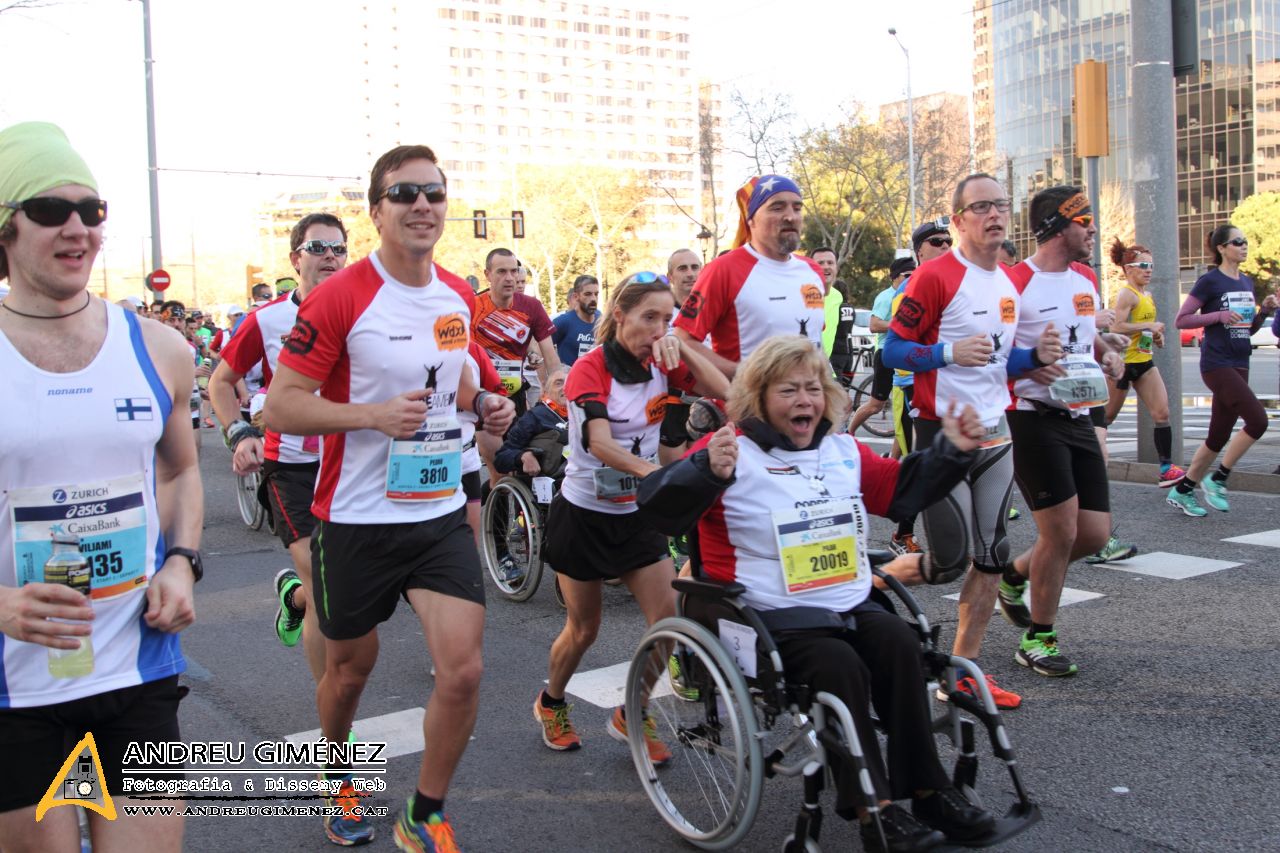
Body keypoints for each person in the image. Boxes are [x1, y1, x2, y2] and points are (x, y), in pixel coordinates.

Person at [638, 336, 997, 853]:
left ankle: (929, 790)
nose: (805, 400)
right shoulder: (730, 449)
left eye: (813, 388)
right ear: (758, 397)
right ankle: (874, 809)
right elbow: (657, 508)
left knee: (899, 644)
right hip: (762, 611)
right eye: (789, 390)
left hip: (845, 600)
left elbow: (900, 489)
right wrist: (703, 472)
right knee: (838, 666)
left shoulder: (840, 449)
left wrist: (949, 451)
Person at [265, 143, 516, 849]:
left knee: (464, 669)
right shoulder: (339, 296)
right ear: (377, 210)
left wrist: (487, 404)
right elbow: (282, 406)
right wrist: (371, 415)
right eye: (404, 194)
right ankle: (336, 767)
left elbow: (457, 380)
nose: (422, 206)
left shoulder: (457, 295)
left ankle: (424, 812)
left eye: (434, 193)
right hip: (354, 516)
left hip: (436, 511)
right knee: (349, 672)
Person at [0, 121, 200, 853]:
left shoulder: (156, 346)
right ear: (7, 228)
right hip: (13, 690)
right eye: (51, 210)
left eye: (93, 210)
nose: (78, 227)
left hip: (135, 669)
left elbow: (180, 469)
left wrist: (182, 558)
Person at [884, 174, 1063, 710]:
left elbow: (1000, 361)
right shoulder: (935, 277)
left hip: (997, 434)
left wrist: (1037, 360)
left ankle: (963, 673)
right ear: (959, 220)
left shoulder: (1008, 282)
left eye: (1000, 205)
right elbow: (893, 350)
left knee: (992, 555)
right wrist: (944, 354)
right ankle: (869, 584)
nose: (994, 214)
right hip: (942, 435)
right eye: (980, 206)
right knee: (947, 561)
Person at [533, 272, 729, 759]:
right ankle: (551, 701)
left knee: (668, 619)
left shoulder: (665, 362)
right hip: (583, 513)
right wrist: (656, 475)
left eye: (667, 318)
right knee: (584, 629)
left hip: (636, 513)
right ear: (619, 315)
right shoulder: (589, 368)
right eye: (649, 318)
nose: (659, 328)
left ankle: (632, 709)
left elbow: (726, 392)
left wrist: (684, 352)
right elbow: (598, 442)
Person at [210, 213, 348, 683]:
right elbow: (221, 383)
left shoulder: (365, 312)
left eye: (339, 248)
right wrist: (240, 434)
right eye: (319, 248)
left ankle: (292, 597)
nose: (331, 256)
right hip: (292, 467)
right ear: (296, 258)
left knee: (348, 584)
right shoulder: (266, 321)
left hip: (352, 465)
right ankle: (335, 731)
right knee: (326, 588)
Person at [996, 187, 1125, 678]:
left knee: (1093, 534)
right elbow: (991, 355)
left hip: (1080, 415)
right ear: (1055, 226)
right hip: (1031, 416)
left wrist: (1107, 351)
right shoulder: (1014, 283)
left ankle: (1014, 574)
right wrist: (1029, 366)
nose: (1092, 230)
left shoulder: (1086, 279)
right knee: (1061, 530)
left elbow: (1086, 336)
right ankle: (1039, 638)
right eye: (1084, 221)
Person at [1168, 225, 1277, 516]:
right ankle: (1219, 478)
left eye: (1245, 241)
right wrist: (1217, 315)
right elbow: (1182, 320)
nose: (1244, 246)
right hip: (1217, 364)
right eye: (1237, 242)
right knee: (1258, 421)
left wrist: (1263, 312)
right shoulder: (1209, 282)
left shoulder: (1246, 282)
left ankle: (1184, 489)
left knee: (1218, 436)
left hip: (1241, 363)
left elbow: (1247, 328)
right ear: (1222, 248)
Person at [672, 175, 826, 379]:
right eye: (777, 207)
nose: (791, 216)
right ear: (750, 219)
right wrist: (747, 376)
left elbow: (815, 340)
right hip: (746, 407)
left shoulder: (812, 270)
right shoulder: (722, 270)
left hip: (805, 407)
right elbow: (683, 342)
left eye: (797, 208)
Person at [1101, 239, 1186, 486]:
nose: (1148, 270)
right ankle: (1087, 459)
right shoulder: (1127, 294)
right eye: (1142, 265)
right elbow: (1116, 326)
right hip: (1123, 365)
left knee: (1162, 413)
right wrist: (1147, 325)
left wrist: (1155, 335)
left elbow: (1144, 329)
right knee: (1106, 418)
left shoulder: (1147, 295)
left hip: (1144, 362)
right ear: (1128, 269)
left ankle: (1166, 468)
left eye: (1151, 265)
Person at [473, 247, 561, 484]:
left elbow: (551, 357)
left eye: (514, 271)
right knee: (500, 474)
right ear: (488, 274)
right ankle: (496, 513)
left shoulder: (531, 307)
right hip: (482, 399)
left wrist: (557, 393)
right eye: (501, 272)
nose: (509, 278)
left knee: (523, 471)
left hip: (514, 395)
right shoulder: (473, 308)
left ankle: (519, 520)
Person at [845, 257, 911, 443]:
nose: (910, 278)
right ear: (895, 278)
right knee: (876, 405)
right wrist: (901, 326)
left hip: (905, 356)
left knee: (907, 411)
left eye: (914, 274)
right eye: (907, 275)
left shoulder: (913, 294)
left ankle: (894, 461)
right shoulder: (886, 297)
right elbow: (874, 325)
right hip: (886, 354)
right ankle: (848, 433)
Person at [658, 248, 704, 465]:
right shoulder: (659, 312)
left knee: (702, 473)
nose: (690, 273)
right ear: (670, 277)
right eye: (682, 268)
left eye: (695, 267)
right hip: (671, 402)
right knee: (673, 474)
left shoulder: (715, 307)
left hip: (707, 400)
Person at [550, 274, 600, 366]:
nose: (593, 299)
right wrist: (556, 369)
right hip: (571, 378)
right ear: (576, 296)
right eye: (588, 294)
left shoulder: (602, 320)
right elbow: (540, 346)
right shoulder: (564, 321)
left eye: (596, 294)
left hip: (595, 378)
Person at [813, 246, 847, 358]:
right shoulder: (799, 292)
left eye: (830, 262)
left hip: (824, 366)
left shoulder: (838, 296)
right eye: (820, 263)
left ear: (836, 268)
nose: (826, 267)